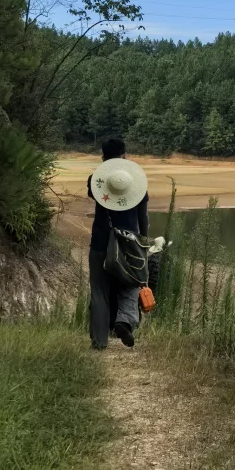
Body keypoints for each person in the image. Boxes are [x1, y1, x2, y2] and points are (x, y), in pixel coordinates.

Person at [87, 138, 150, 350]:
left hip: (101, 244)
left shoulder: (95, 181)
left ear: (103, 157)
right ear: (125, 155)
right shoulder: (136, 183)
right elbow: (143, 218)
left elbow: (92, 190)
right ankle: (124, 322)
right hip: (129, 245)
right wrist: (144, 243)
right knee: (132, 285)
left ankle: (99, 342)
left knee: (99, 292)